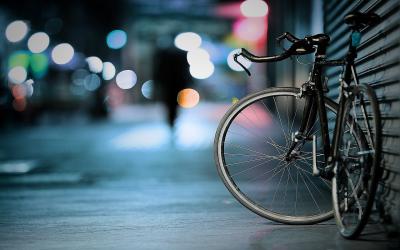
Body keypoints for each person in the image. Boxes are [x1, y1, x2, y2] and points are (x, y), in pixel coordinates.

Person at [153, 39, 191, 128]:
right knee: (175, 103)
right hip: (177, 83)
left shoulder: (163, 55)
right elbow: (185, 70)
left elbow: (158, 70)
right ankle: (172, 120)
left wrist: (157, 81)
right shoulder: (181, 55)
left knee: (169, 103)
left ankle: (171, 120)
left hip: (167, 84)